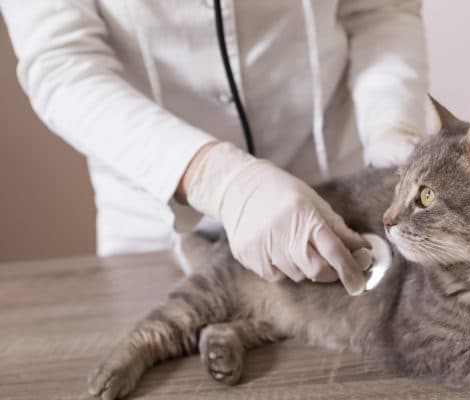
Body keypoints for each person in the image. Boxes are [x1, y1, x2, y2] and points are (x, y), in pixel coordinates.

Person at [1, 1, 429, 294]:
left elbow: (381, 10)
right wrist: (221, 180)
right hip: (156, 219)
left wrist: (391, 120)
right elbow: (62, 65)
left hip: (339, 195)